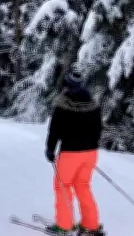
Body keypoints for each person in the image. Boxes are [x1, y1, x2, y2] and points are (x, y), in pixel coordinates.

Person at [44, 70, 105, 235]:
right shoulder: (92, 102)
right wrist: (89, 146)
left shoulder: (63, 103)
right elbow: (99, 128)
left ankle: (64, 226)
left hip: (70, 153)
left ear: (67, 86)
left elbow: (54, 129)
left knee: (62, 186)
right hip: (91, 153)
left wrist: (50, 149)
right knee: (83, 186)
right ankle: (91, 225)